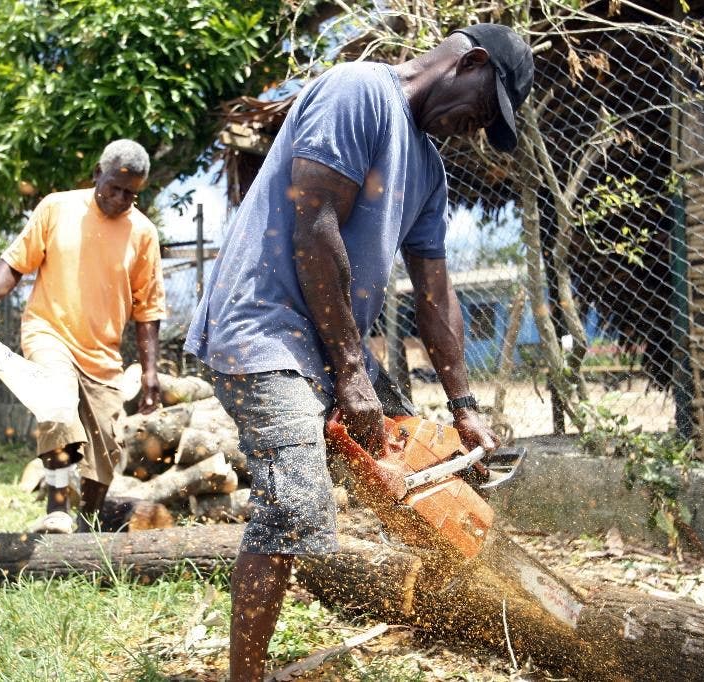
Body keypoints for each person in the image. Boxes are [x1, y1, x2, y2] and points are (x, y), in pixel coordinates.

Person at [184, 23, 534, 681]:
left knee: (420, 461)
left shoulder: (427, 168)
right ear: (472, 62)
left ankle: (453, 594)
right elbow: (313, 229)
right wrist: (351, 369)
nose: (472, 128)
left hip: (323, 338)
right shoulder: (357, 92)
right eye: (483, 110)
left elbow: (435, 291)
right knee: (296, 505)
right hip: (262, 327)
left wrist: (463, 408)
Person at [0, 139, 166, 534]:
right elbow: (15, 262)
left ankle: (86, 527)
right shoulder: (57, 207)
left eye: (131, 193)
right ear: (96, 175)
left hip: (102, 354)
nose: (121, 198)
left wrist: (150, 373)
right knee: (56, 404)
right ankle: (56, 508)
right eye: (114, 187)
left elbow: (148, 309)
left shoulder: (143, 233)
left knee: (106, 447)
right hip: (48, 331)